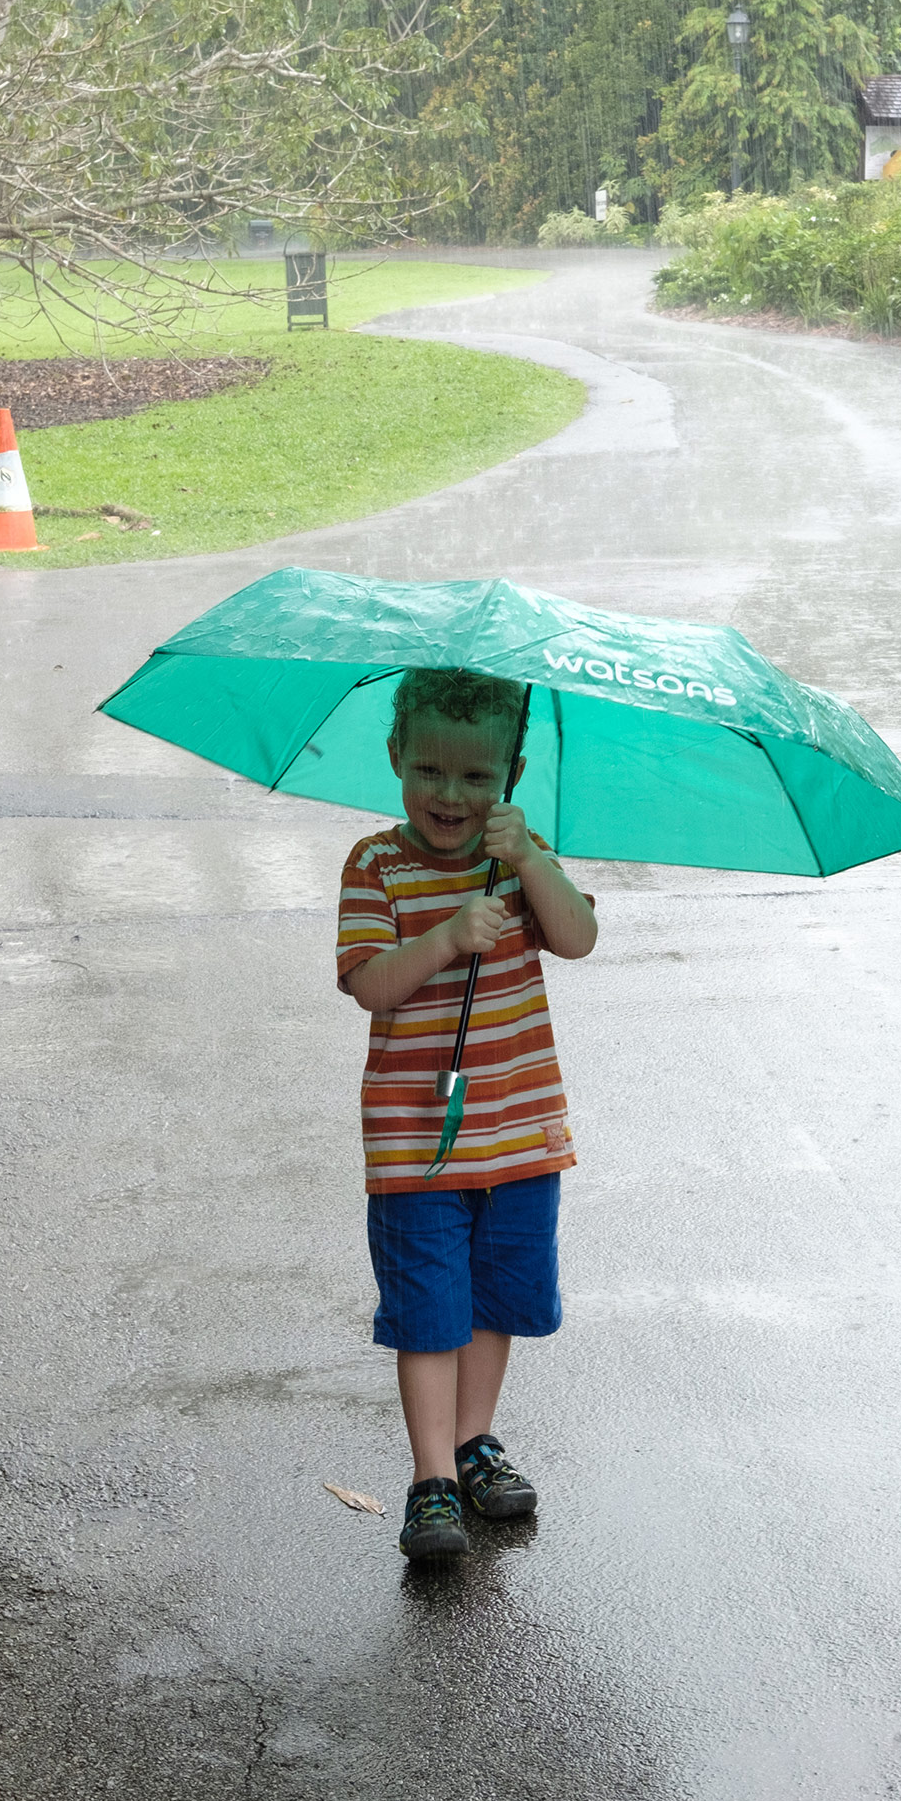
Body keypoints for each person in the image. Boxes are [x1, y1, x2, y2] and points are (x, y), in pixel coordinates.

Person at [336, 668, 599, 1561]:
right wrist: (448, 936)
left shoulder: (520, 858)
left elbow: (578, 938)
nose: (451, 795)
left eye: (477, 776)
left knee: (493, 1302)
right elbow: (371, 986)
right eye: (431, 770)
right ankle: (431, 1478)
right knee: (428, 1310)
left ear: (511, 773)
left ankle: (473, 1442)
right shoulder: (376, 865)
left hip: (519, 1133)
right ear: (396, 757)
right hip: (416, 1142)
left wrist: (531, 862)